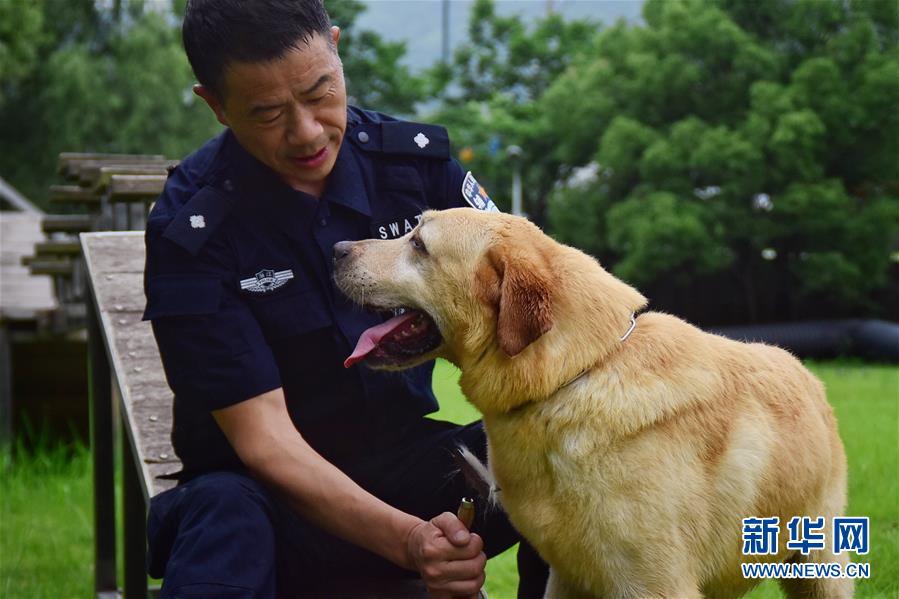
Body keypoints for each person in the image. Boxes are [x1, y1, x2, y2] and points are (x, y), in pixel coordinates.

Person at [142, 0, 549, 597]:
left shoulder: (414, 168)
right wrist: (411, 542)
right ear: (216, 105)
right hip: (269, 507)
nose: (305, 131)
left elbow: (530, 306)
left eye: (318, 92)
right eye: (267, 113)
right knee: (223, 515)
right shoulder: (194, 226)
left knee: (558, 450)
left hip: (408, 470)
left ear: (336, 47)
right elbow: (264, 442)